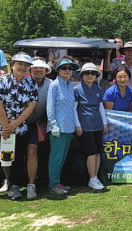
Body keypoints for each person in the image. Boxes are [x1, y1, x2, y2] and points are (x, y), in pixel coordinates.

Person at [0, 53, 38, 202]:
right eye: (20, 64)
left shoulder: (31, 83)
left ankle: (15, 186)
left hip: (19, 128)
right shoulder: (2, 80)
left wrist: (14, 125)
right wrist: (6, 126)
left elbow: (31, 106)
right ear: (12, 65)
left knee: (17, 159)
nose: (23, 67)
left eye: (26, 65)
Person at [46, 58, 82, 195]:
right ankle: (53, 184)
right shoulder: (54, 85)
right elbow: (50, 106)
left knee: (62, 157)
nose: (67, 71)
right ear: (58, 70)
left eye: (69, 68)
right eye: (64, 68)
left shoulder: (70, 85)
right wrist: (53, 124)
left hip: (68, 127)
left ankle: (57, 183)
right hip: (58, 128)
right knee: (56, 157)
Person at [74, 63, 107, 191]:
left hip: (98, 124)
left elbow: (100, 107)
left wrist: (104, 122)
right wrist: (77, 125)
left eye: (92, 73)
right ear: (82, 75)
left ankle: (95, 177)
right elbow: (74, 109)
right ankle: (92, 178)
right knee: (91, 152)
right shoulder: (76, 89)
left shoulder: (97, 88)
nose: (90, 75)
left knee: (98, 152)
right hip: (85, 125)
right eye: (87, 73)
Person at [24, 58, 52, 199]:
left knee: (33, 150)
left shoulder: (50, 84)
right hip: (20, 123)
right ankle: (11, 182)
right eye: (35, 68)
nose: (38, 70)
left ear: (46, 71)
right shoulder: (24, 82)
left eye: (42, 68)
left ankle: (31, 185)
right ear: (30, 70)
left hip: (39, 124)